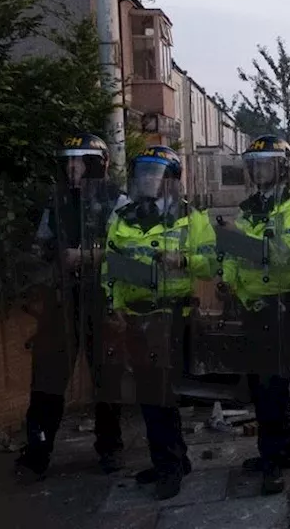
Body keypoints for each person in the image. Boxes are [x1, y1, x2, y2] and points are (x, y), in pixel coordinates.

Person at [101, 145, 216, 500]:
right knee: (152, 396)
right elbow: (111, 264)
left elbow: (211, 264)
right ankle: (174, 460)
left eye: (156, 174)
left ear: (172, 181)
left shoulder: (190, 217)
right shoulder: (124, 217)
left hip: (170, 316)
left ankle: (169, 466)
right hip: (136, 316)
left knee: (159, 395)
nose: (149, 180)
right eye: (144, 174)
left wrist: (182, 261)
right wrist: (114, 305)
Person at [14, 132, 127, 481]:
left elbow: (126, 254)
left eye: (80, 161)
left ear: (97, 165)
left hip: (101, 297)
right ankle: (37, 454)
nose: (73, 168)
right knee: (47, 379)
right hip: (63, 299)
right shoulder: (57, 201)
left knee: (106, 377)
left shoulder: (117, 202)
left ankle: (110, 448)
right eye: (68, 162)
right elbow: (42, 243)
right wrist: (41, 258)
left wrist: (86, 256)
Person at [222, 135, 290, 495]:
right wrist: (227, 282)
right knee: (260, 383)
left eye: (265, 164)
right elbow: (232, 256)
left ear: (281, 168)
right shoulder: (248, 209)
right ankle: (284, 447)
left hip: (280, 300)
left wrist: (236, 241)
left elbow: (283, 254)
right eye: (255, 164)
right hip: (251, 303)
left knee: (272, 382)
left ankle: (273, 459)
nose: (259, 170)